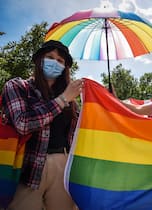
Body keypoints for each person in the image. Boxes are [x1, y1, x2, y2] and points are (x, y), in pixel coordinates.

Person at [1, 40, 83, 210]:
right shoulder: (17, 86)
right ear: (39, 60)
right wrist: (62, 100)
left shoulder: (70, 98)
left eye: (60, 61)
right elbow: (23, 124)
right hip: (27, 168)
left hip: (62, 164)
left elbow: (79, 132)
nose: (55, 63)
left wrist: (106, 102)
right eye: (50, 57)